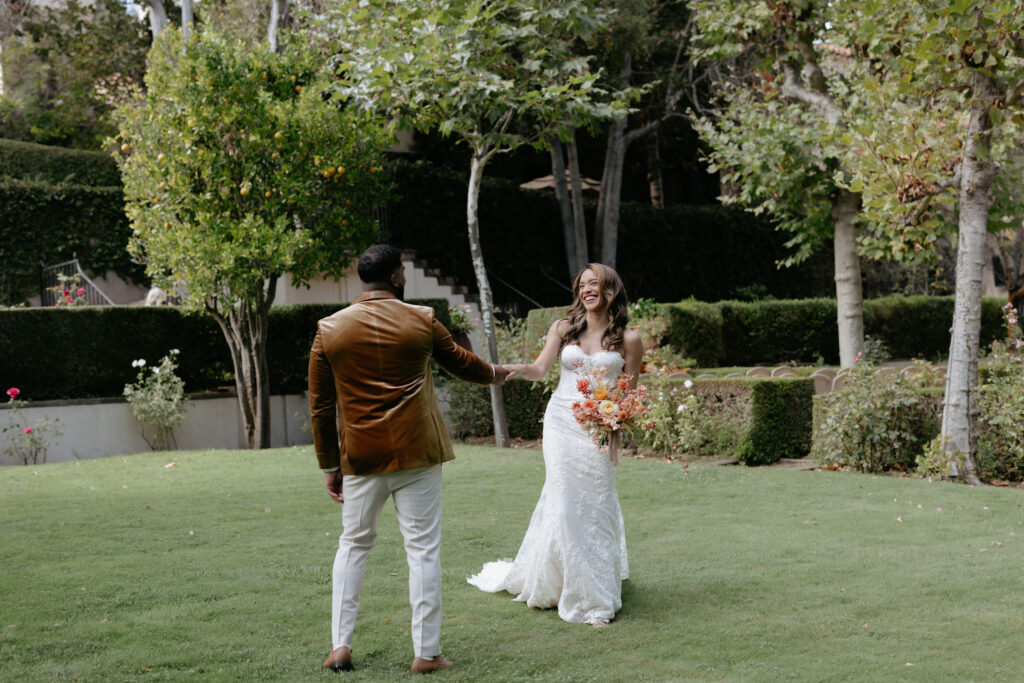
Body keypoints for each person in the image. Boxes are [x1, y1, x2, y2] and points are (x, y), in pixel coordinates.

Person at [308, 244, 509, 674]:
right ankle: (427, 653)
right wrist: (498, 372)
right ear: (398, 276)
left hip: (361, 458)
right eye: (402, 271)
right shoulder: (421, 319)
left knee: (354, 546)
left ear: (363, 278)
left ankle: (340, 647)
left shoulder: (329, 329)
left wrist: (330, 466)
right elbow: (463, 364)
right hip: (418, 454)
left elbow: (321, 406)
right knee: (422, 551)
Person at [468, 263, 643, 627]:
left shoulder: (629, 339)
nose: (586, 290)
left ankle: (596, 591)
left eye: (595, 284)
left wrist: (616, 427)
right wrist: (507, 369)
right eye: (582, 285)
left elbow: (629, 393)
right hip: (562, 423)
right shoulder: (564, 329)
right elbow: (539, 369)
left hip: (597, 430)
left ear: (611, 289)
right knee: (564, 505)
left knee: (595, 506)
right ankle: (576, 592)